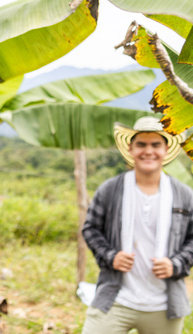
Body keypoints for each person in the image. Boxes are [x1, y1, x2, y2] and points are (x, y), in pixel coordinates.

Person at [82, 116, 193, 334]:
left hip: (164, 305)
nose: (148, 151)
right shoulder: (111, 189)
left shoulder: (184, 195)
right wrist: (110, 256)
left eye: (155, 144)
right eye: (141, 144)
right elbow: (90, 228)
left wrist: (176, 263)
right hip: (116, 298)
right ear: (131, 149)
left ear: (166, 149)